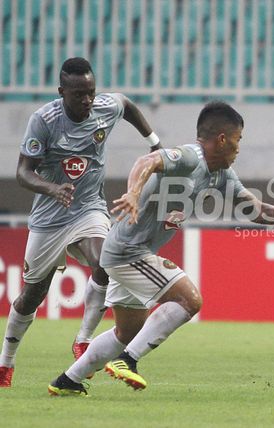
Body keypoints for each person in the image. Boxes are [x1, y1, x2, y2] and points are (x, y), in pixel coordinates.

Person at [48, 101, 274, 395]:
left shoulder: (221, 174)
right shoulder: (190, 157)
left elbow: (254, 210)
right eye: (238, 139)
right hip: (128, 252)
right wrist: (132, 192)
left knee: (127, 331)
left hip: (130, 253)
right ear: (222, 139)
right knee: (189, 300)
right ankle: (127, 360)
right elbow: (147, 161)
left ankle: (68, 380)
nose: (239, 147)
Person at [0, 57, 161, 388]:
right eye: (78, 94)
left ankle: (84, 339)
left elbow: (126, 104)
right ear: (62, 92)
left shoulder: (104, 107)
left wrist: (154, 141)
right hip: (48, 219)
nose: (87, 100)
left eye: (91, 91)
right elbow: (22, 172)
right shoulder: (44, 121)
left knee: (106, 263)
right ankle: (6, 362)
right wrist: (52, 187)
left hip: (88, 208)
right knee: (32, 295)